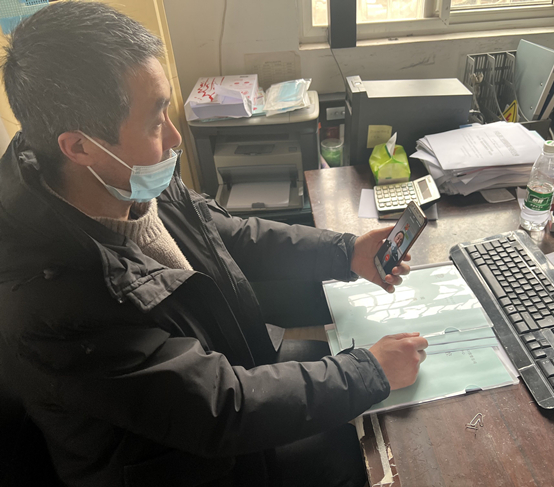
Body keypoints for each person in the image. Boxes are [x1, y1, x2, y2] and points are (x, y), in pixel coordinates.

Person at [0, 2, 429, 486]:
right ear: (79, 147)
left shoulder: (123, 178)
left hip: (217, 376)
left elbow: (226, 235)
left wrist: (344, 252)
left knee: (344, 373)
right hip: (178, 459)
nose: (174, 137)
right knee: (354, 452)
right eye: (154, 122)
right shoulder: (51, 305)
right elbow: (221, 409)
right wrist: (369, 371)